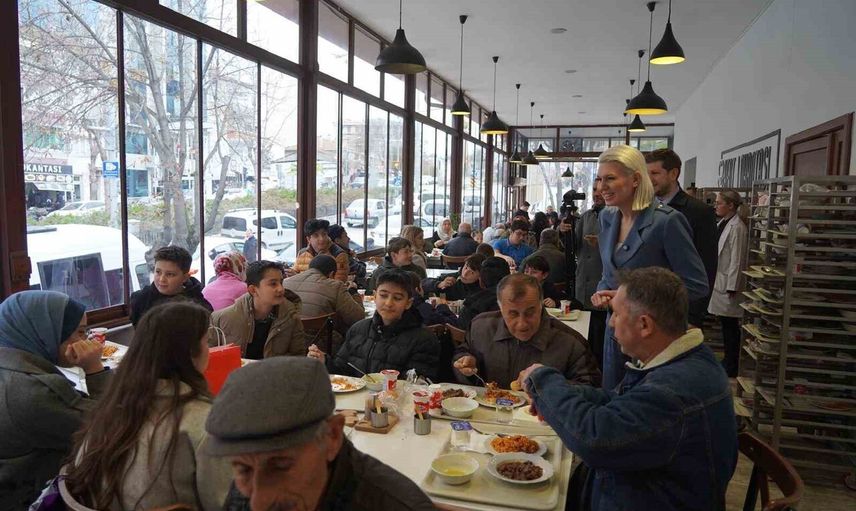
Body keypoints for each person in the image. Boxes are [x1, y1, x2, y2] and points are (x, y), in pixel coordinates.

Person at [517, 268, 737, 511]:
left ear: (644, 324)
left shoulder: (673, 392)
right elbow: (617, 401)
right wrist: (561, 394)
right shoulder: (687, 358)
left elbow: (595, 439)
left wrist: (543, 380)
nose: (611, 323)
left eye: (617, 314)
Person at [204, 357, 436, 511]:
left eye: (281, 465)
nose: (257, 504)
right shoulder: (252, 482)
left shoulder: (394, 505)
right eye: (243, 470)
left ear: (332, 436)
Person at [65, 302, 231, 510]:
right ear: (189, 353)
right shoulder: (204, 424)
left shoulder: (112, 406)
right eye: (206, 341)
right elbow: (225, 503)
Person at [592, 145, 708, 390]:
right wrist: (602, 291)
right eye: (599, 179)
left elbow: (696, 285)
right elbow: (609, 272)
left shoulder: (666, 222)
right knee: (613, 398)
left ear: (635, 179)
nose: (602, 187)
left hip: (653, 342)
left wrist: (630, 298)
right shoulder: (607, 217)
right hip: (616, 333)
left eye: (610, 178)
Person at [0, 291, 111, 508]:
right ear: (46, 333)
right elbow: (109, 428)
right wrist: (95, 369)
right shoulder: (34, 392)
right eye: (80, 332)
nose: (85, 340)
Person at [453, 274, 600, 389]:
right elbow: (462, 353)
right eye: (513, 314)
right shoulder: (480, 328)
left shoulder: (571, 343)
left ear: (541, 305)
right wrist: (466, 363)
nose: (522, 324)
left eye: (530, 313)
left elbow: (592, 389)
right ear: (500, 308)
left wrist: (551, 385)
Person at [308, 269, 441, 382]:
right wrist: (324, 361)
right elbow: (341, 371)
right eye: (383, 295)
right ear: (375, 296)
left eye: (397, 298)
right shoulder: (358, 329)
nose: (388, 303)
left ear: (408, 303)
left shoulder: (424, 339)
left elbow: (415, 385)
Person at [646, 149, 718, 327]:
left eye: (655, 173)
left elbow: (707, 267)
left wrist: (693, 316)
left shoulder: (699, 212)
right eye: (646, 174)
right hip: (647, 305)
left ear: (673, 174)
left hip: (680, 311)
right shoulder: (643, 209)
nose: (649, 179)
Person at [212, 261, 305, 360]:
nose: (281, 289)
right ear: (253, 290)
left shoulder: (290, 316)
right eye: (273, 284)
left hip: (274, 370)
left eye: (281, 282)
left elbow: (298, 356)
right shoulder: (222, 319)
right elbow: (209, 357)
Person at [284, 255, 365, 352]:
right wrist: (353, 292)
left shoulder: (285, 282)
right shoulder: (335, 286)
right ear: (331, 274)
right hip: (320, 348)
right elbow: (358, 318)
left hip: (288, 343)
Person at [708, 191, 748, 377]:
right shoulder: (723, 223)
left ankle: (732, 364)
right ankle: (728, 360)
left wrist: (733, 285)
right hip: (720, 279)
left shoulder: (737, 227)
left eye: (719, 203)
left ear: (731, 205)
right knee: (725, 324)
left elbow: (737, 260)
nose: (716, 206)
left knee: (730, 325)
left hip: (729, 284)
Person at [130, 246, 212, 327]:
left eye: (170, 274)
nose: (162, 279)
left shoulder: (199, 306)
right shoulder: (140, 299)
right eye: (158, 272)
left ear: (185, 277)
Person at [575, 185, 607, 370]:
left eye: (600, 190)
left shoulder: (618, 215)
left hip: (602, 281)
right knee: (584, 332)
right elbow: (575, 245)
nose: (596, 193)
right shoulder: (586, 216)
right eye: (594, 189)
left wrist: (601, 242)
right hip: (584, 280)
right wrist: (565, 232)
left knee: (600, 334)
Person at [456, 256, 511, 328]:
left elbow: (460, 329)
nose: (466, 273)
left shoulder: (471, 304)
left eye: (472, 272)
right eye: (466, 268)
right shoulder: (517, 302)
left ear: (481, 282)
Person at [329, 224, 367, 288]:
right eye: (345, 236)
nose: (349, 239)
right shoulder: (341, 255)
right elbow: (362, 271)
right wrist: (355, 257)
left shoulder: (332, 251)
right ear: (337, 240)